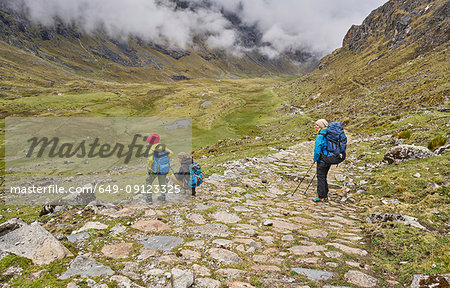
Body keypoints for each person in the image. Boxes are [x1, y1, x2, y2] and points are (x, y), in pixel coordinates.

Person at [146, 134, 173, 203]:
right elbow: (171, 153)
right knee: (162, 182)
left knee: (148, 182)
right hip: (163, 168)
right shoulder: (163, 147)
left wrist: (149, 167)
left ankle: (149, 199)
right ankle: (163, 197)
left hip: (154, 169)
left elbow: (150, 160)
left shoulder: (152, 148)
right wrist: (166, 161)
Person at [313, 119, 330, 202]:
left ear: (321, 126)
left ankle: (321, 196)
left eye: (317, 125)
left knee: (320, 177)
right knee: (324, 177)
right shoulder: (329, 134)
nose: (316, 127)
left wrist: (315, 159)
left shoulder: (320, 136)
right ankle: (325, 195)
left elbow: (317, 149)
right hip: (329, 159)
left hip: (322, 160)